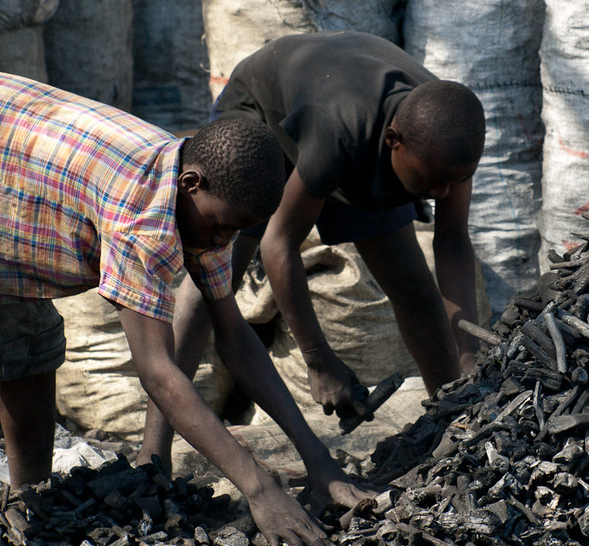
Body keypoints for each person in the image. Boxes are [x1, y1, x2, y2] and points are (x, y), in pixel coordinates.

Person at [0, 72, 370, 546]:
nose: (222, 243)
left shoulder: (204, 201)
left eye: (235, 233)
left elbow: (236, 338)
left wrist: (320, 462)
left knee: (31, 356)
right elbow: (158, 373)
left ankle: (32, 514)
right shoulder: (143, 218)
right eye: (220, 228)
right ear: (190, 184)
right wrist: (260, 489)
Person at [137, 30, 486, 470]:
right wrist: (318, 359)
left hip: (356, 121)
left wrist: (469, 352)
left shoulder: (448, 141)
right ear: (393, 141)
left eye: (453, 181)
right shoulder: (340, 133)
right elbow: (277, 244)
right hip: (265, 114)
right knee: (213, 279)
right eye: (429, 182)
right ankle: (153, 458)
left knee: (414, 287)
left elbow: (452, 242)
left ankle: (454, 425)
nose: (442, 192)